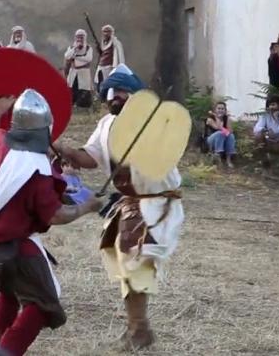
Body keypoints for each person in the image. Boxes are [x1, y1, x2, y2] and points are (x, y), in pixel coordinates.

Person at [0, 92, 103, 356]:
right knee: (42, 304)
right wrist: (87, 206)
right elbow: (55, 215)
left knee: (10, 289)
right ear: (45, 128)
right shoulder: (37, 168)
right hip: (14, 250)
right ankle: (4, 353)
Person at [54, 64, 184, 350]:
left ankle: (139, 329)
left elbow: (163, 153)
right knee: (127, 267)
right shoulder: (105, 125)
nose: (116, 97)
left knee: (137, 265)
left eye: (123, 92)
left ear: (136, 97)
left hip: (156, 201)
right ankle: (138, 328)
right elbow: (90, 157)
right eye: (112, 92)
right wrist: (64, 149)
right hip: (130, 203)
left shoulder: (153, 123)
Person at [253, 95, 279, 168]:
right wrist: (265, 130)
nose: (271, 107)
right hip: (268, 135)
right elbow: (256, 128)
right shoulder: (265, 114)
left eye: (273, 105)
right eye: (270, 105)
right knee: (258, 135)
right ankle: (264, 160)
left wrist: (277, 119)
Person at [64, 29, 93, 108]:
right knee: (72, 91)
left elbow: (88, 58)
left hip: (84, 73)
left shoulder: (88, 48)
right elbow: (67, 56)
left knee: (83, 92)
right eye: (78, 37)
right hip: (73, 73)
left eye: (81, 37)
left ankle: (82, 107)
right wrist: (75, 49)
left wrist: (75, 56)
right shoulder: (71, 47)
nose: (79, 39)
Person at [205, 102, 236, 168]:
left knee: (231, 136)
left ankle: (228, 160)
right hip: (210, 140)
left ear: (225, 110)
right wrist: (216, 117)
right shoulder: (210, 119)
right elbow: (218, 128)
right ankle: (218, 158)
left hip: (223, 139)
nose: (220, 110)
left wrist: (227, 120)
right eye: (219, 108)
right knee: (220, 133)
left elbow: (230, 131)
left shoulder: (226, 119)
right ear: (215, 110)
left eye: (222, 109)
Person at [95, 24, 125, 90]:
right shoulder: (103, 43)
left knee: (109, 86)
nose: (105, 34)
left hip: (110, 67)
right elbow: (102, 54)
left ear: (111, 33)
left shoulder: (116, 43)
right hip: (101, 67)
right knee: (100, 83)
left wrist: (117, 68)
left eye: (107, 32)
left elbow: (119, 57)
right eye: (104, 31)